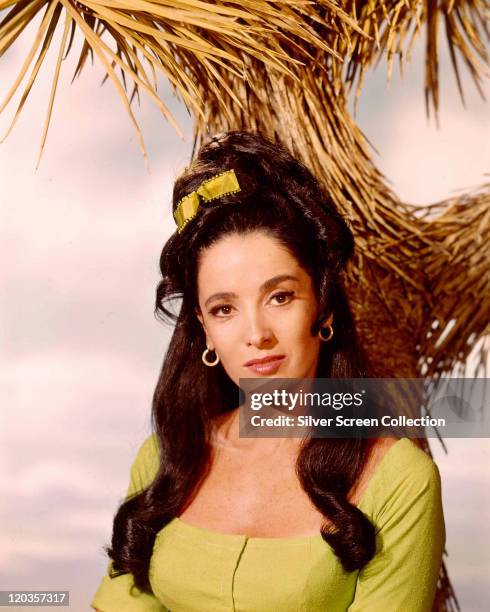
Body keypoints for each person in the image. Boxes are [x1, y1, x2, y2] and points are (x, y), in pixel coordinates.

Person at [91, 131, 445, 611]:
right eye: (223, 309)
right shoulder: (165, 458)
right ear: (204, 331)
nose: (256, 333)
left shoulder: (399, 478)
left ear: (321, 305)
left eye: (279, 297)